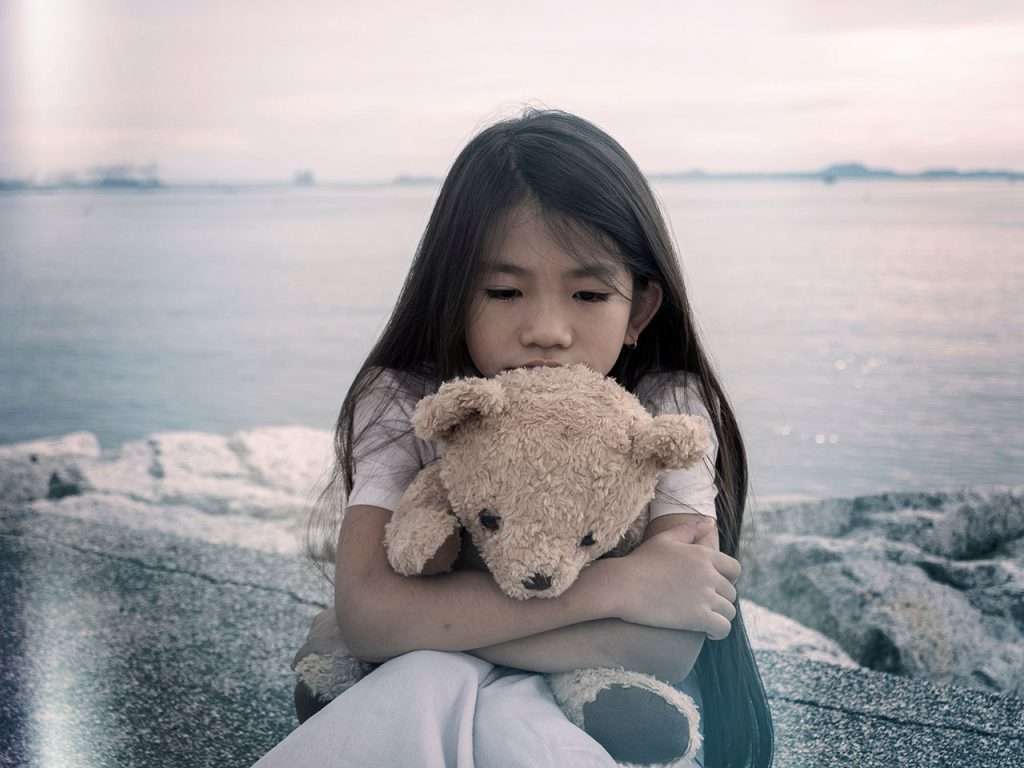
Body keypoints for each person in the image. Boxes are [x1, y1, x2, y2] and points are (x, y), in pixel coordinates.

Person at [253, 108, 774, 768]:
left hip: (615, 723)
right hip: (482, 688)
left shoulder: (664, 410)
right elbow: (369, 614)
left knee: (436, 684)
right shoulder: (407, 401)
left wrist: (416, 628)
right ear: (452, 294)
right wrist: (618, 590)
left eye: (588, 294)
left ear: (639, 308)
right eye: (504, 291)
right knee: (434, 684)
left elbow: (666, 647)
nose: (547, 330)